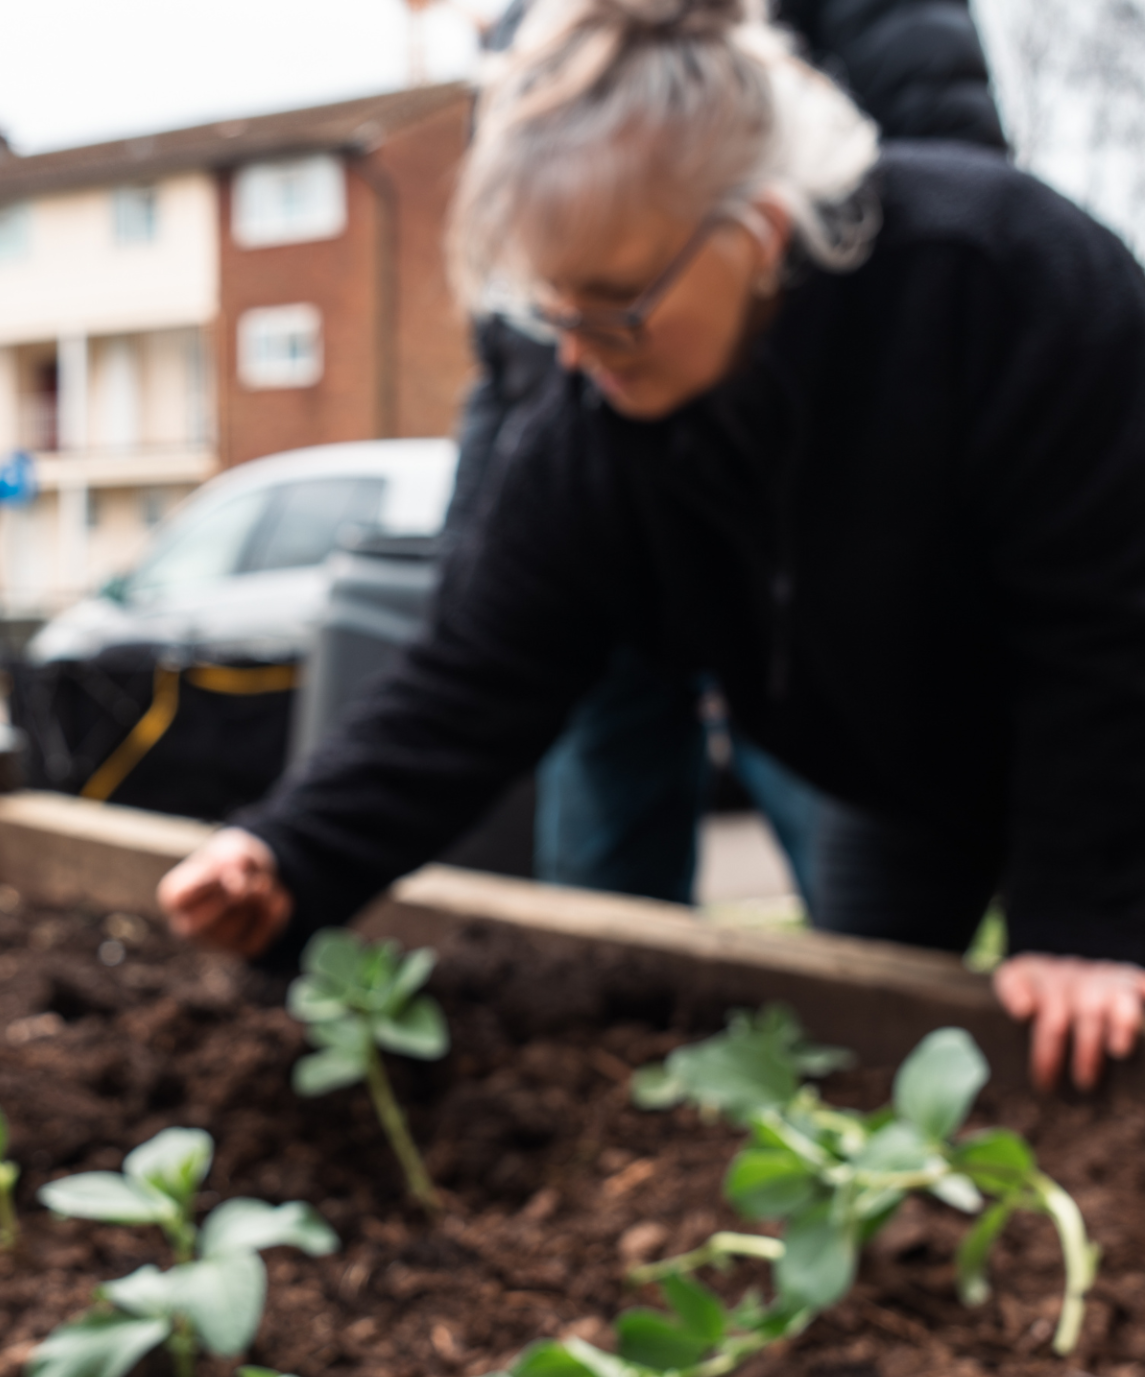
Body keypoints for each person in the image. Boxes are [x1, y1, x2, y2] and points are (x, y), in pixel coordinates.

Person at [159, 0, 1145, 1095]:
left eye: (619, 307)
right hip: (905, 775)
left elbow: (1105, 629)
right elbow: (476, 676)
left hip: (1117, 741)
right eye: (558, 311)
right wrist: (291, 852)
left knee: (1097, 1045)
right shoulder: (600, 430)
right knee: (878, 1048)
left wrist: (1088, 916)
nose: (581, 357)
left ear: (761, 227)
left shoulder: (1001, 280)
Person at [453, 0, 1007, 911]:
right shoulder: (529, 32)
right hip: (601, 509)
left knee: (850, 843)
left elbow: (939, 217)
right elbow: (504, 343)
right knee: (603, 869)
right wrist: (478, 545)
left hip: (791, 525)